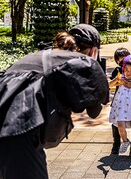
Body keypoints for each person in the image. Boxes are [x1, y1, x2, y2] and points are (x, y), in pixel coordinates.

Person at [0, 24, 109, 179]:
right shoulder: (82, 61)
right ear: (94, 50)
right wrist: (96, 70)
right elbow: (94, 111)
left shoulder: (39, 56)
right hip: (18, 133)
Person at [108, 48, 131, 154]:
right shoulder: (118, 71)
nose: (121, 60)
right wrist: (118, 81)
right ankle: (117, 143)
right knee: (117, 125)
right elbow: (111, 84)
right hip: (119, 101)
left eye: (124, 57)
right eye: (119, 58)